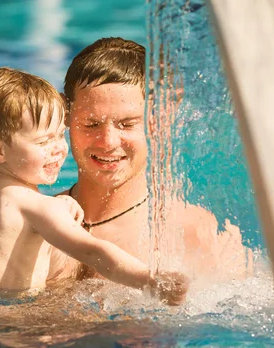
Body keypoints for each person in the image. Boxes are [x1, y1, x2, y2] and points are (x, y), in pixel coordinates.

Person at [0, 67, 188, 305]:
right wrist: (150, 281)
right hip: (2, 322)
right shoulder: (37, 207)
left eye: (59, 135)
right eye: (44, 141)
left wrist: (55, 204)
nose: (59, 148)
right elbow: (92, 252)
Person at [48, 37, 252, 284]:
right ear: (65, 115)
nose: (108, 142)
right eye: (91, 124)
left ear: (158, 119)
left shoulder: (198, 233)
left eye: (127, 124)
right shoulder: (36, 222)